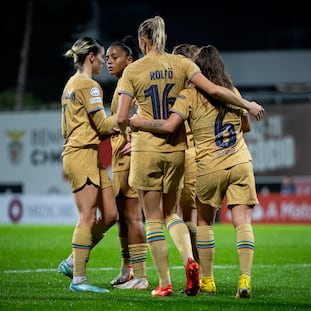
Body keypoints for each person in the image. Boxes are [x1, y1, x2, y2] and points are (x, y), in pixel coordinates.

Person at [116, 15, 264, 297]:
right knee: (183, 215)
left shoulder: (139, 72)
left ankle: (171, 282)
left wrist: (131, 129)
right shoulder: (193, 71)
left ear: (142, 40)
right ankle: (219, 270)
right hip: (207, 155)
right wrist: (246, 104)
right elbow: (224, 101)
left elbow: (131, 118)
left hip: (166, 152)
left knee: (165, 219)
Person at [58, 36, 119, 293]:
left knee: (110, 215)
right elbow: (104, 126)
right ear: (91, 56)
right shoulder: (89, 85)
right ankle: (79, 279)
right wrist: (128, 115)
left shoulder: (71, 84)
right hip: (81, 153)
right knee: (87, 216)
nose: (105, 62)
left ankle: (74, 259)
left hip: (88, 154)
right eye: (103, 56)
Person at [105, 35, 148, 290]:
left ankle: (141, 276)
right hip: (120, 156)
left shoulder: (132, 83)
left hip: (129, 157)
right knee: (123, 215)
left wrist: (138, 140)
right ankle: (127, 269)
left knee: (132, 216)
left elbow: (143, 113)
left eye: (115, 57)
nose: (109, 62)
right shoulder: (122, 83)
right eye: (108, 57)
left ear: (129, 60)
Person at [171, 43, 201, 264]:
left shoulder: (184, 94)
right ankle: (201, 273)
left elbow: (169, 125)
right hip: (201, 154)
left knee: (170, 213)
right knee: (195, 215)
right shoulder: (205, 89)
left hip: (183, 152)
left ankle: (195, 267)